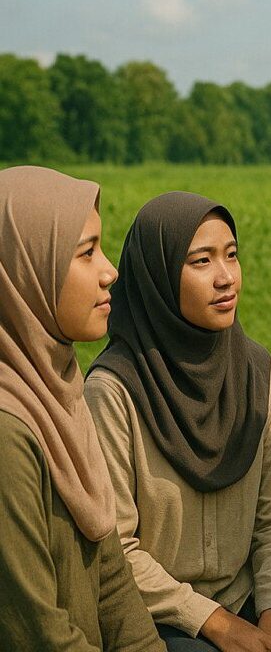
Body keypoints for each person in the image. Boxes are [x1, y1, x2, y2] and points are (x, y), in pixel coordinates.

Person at [84, 192, 271, 652]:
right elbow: (116, 553)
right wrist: (218, 625)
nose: (226, 279)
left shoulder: (257, 372)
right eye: (201, 261)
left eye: (232, 256)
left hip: (247, 601)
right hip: (154, 614)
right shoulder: (113, 390)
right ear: (158, 276)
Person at [0, 165, 163, 652]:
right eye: (86, 252)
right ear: (28, 270)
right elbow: (37, 631)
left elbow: (111, 580)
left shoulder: (57, 391)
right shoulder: (9, 435)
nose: (110, 270)